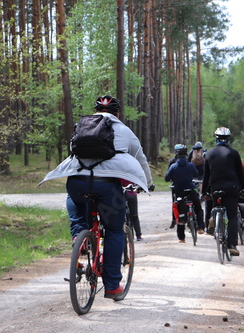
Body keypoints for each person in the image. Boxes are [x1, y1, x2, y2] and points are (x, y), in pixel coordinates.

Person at [39, 95, 154, 299]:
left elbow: (72, 150)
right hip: (106, 187)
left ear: (96, 111)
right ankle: (111, 285)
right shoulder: (125, 131)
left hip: (77, 182)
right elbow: (141, 158)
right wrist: (149, 182)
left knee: (75, 201)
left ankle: (79, 238)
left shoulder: (81, 125)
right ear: (117, 114)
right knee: (115, 231)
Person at [201, 127, 244, 256]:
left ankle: (213, 217)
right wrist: (243, 189)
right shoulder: (234, 153)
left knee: (216, 205)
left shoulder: (209, 154)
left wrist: (204, 192)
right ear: (228, 138)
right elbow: (240, 173)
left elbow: (206, 176)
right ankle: (232, 245)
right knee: (232, 216)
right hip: (231, 187)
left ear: (216, 138)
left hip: (215, 187)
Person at [165, 144, 205, 242]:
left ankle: (181, 238)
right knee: (198, 208)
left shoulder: (173, 166)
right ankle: (200, 227)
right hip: (191, 190)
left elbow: (166, 178)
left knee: (180, 213)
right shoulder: (190, 165)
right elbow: (196, 174)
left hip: (178, 192)